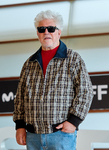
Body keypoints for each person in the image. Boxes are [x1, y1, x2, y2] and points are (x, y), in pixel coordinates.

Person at [13, 10, 93, 150]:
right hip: (33, 135)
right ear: (37, 33)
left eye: (51, 28)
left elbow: (85, 92)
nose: (46, 32)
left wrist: (74, 121)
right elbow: (20, 98)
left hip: (61, 135)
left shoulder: (73, 59)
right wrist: (20, 126)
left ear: (59, 32)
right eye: (41, 29)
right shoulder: (29, 63)